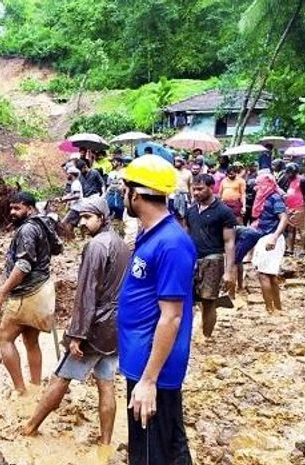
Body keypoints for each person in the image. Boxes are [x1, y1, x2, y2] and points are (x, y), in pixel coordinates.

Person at [21, 196, 129, 460]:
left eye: (87, 217)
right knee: (106, 384)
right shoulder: (123, 245)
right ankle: (105, 443)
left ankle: (30, 427)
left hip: (94, 327)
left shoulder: (95, 246)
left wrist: (77, 334)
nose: (82, 223)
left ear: (102, 217)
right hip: (116, 327)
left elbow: (87, 294)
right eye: (80, 217)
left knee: (61, 376)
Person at [117, 155, 196, 465]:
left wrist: (148, 380)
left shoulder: (172, 243)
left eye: (125, 189)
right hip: (143, 361)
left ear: (135, 195)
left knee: (150, 455)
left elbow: (172, 315)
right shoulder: (151, 234)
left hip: (154, 370)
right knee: (167, 446)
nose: (123, 195)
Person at [0, 192, 55, 396]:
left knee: (4, 338)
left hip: (25, 293)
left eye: (17, 208)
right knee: (31, 340)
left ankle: (21, 390)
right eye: (11, 208)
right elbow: (57, 248)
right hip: (42, 289)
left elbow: (24, 265)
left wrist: (1, 292)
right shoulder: (43, 223)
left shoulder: (27, 229)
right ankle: (35, 386)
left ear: (29, 208)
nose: (12, 212)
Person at [185, 174, 237, 338]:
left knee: (208, 301)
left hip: (213, 259)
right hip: (193, 259)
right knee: (188, 299)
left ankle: (206, 337)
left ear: (211, 188)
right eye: (194, 189)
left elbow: (229, 242)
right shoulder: (191, 211)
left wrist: (228, 271)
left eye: (200, 189)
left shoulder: (224, 212)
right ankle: (190, 334)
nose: (196, 193)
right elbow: (187, 235)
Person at [234, 173, 288, 312]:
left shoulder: (274, 198)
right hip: (265, 236)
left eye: (259, 185)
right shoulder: (265, 198)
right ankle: (277, 307)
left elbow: (284, 218)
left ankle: (269, 309)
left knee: (264, 275)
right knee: (270, 275)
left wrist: (274, 237)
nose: (256, 188)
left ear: (266, 185)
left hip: (270, 237)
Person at [282, 163, 305, 257]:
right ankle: (290, 249)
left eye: (289, 172)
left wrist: (304, 198)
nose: (288, 174)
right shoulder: (289, 180)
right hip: (290, 207)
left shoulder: (302, 180)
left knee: (301, 228)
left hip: (299, 206)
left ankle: (303, 250)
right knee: (290, 228)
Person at [60, 166, 85, 239]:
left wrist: (65, 199)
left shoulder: (76, 183)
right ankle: (72, 241)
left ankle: (70, 241)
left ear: (72, 174)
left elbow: (77, 195)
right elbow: (72, 194)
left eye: (68, 174)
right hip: (76, 207)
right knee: (70, 225)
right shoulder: (74, 183)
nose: (67, 175)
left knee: (63, 222)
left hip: (76, 208)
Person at [106, 156, 126, 232]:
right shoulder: (111, 173)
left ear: (120, 163)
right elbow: (108, 185)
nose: (113, 163)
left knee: (121, 215)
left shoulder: (124, 172)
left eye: (114, 161)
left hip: (121, 197)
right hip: (111, 196)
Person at [169, 157, 192, 222]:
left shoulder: (188, 173)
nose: (175, 163)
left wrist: (192, 197)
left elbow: (190, 185)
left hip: (184, 196)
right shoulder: (172, 172)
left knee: (183, 216)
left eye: (177, 161)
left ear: (181, 163)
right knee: (172, 215)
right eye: (175, 161)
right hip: (173, 196)